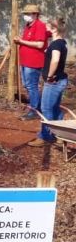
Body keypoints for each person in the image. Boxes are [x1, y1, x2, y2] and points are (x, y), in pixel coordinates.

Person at [28, 17, 68, 147]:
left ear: (54, 29)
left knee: (46, 108)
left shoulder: (56, 44)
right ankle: (61, 135)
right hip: (60, 80)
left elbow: (55, 60)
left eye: (48, 26)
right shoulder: (61, 42)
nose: (46, 27)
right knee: (55, 108)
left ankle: (45, 137)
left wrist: (50, 76)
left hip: (54, 82)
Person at [14, 4, 49, 120]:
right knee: (27, 85)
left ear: (35, 14)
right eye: (25, 14)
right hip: (25, 61)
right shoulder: (28, 25)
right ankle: (35, 106)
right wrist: (21, 41)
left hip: (34, 62)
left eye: (28, 14)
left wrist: (21, 41)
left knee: (31, 85)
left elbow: (39, 44)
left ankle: (34, 110)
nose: (26, 16)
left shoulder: (40, 26)